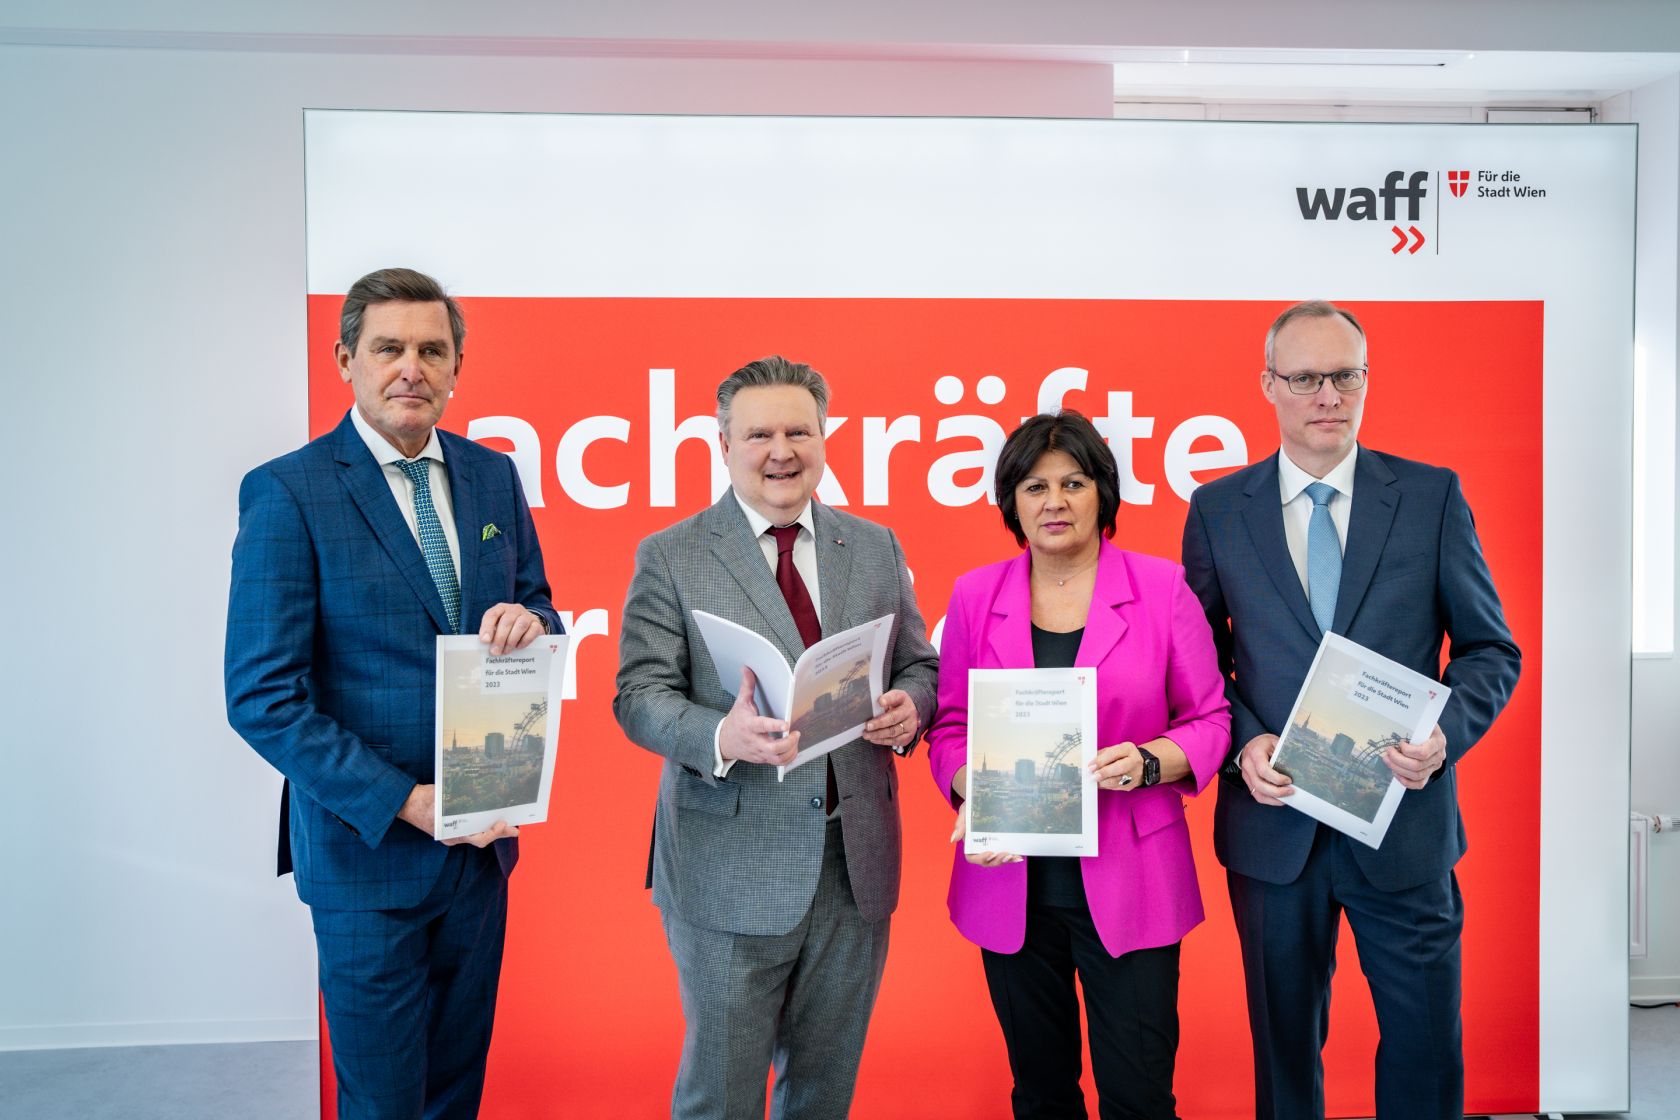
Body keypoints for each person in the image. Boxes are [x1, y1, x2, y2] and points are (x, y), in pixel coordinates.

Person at [225, 267, 562, 1120]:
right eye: (389, 348)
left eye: (431, 350)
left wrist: (530, 623)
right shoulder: (288, 491)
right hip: (364, 855)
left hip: (480, 849)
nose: (411, 367)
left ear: (456, 367)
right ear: (346, 359)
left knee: (454, 1096)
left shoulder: (493, 479)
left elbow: (540, 608)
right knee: (382, 1103)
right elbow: (262, 695)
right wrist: (403, 800)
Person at [1180, 300, 1521, 1120]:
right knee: (1284, 1052)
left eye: (1346, 375)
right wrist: (1245, 744)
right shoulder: (1220, 510)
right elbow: (1195, 668)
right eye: (1305, 378)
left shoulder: (1433, 497)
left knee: (1426, 1046)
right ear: (1269, 386)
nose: (1328, 395)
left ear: (1366, 381)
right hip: (1275, 831)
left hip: (1404, 825)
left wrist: (1444, 736)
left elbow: (1490, 651)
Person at [613, 355, 939, 1120]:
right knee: (722, 1095)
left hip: (853, 859)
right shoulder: (673, 553)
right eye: (759, 433)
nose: (781, 450)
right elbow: (637, 696)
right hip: (728, 866)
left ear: (825, 439)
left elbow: (921, 662)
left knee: (825, 1090)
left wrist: (909, 708)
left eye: (799, 430)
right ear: (723, 445)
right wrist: (718, 734)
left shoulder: (875, 545)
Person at [927, 410, 1231, 1120]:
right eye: (1034, 487)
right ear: (1012, 502)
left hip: (1133, 878)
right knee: (1040, 1093)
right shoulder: (976, 595)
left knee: (1139, 1093)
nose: (1054, 502)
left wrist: (1154, 761)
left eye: (1072, 483)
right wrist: (971, 778)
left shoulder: (1162, 588)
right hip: (1010, 884)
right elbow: (951, 724)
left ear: (1103, 493)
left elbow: (1211, 717)